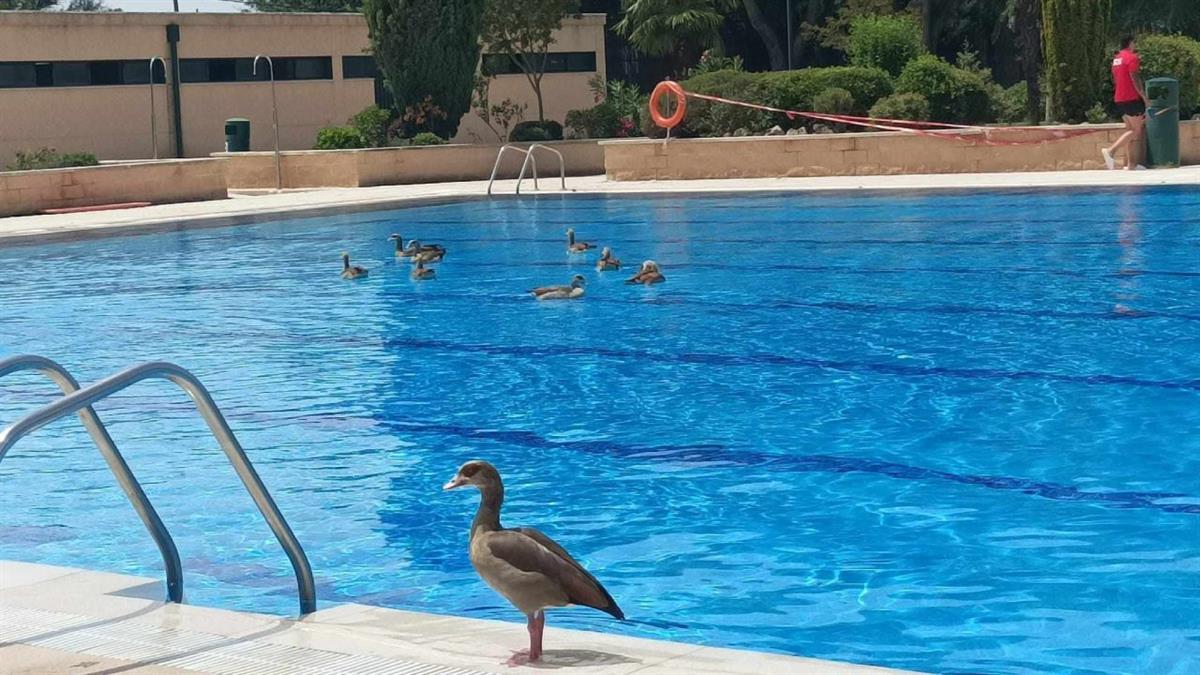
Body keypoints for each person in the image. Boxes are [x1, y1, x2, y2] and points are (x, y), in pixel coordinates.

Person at [1102, 36, 1149, 171]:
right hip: (1131, 98)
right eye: (1134, 43)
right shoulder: (1132, 57)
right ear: (1130, 43)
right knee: (1136, 130)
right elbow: (1135, 79)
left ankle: (1131, 165)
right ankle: (1110, 151)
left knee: (1129, 131)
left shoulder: (1116, 59)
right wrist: (1144, 98)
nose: (1135, 46)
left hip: (1119, 98)